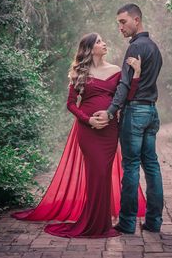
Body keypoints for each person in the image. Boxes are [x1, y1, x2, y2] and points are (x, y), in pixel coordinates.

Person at [12, 32, 146, 238]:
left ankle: (100, 222)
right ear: (91, 48)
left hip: (110, 130)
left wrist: (136, 75)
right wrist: (88, 120)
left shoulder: (117, 70)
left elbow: (127, 97)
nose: (104, 43)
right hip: (88, 131)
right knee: (95, 175)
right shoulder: (79, 73)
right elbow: (71, 104)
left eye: (103, 40)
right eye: (100, 41)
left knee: (103, 174)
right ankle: (93, 223)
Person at [94, 4, 164, 234]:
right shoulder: (154, 48)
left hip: (135, 113)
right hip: (151, 112)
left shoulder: (135, 48)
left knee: (132, 166)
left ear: (136, 20)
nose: (120, 27)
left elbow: (125, 84)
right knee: (151, 166)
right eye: (118, 23)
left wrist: (112, 110)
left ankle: (126, 222)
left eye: (123, 22)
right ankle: (153, 223)